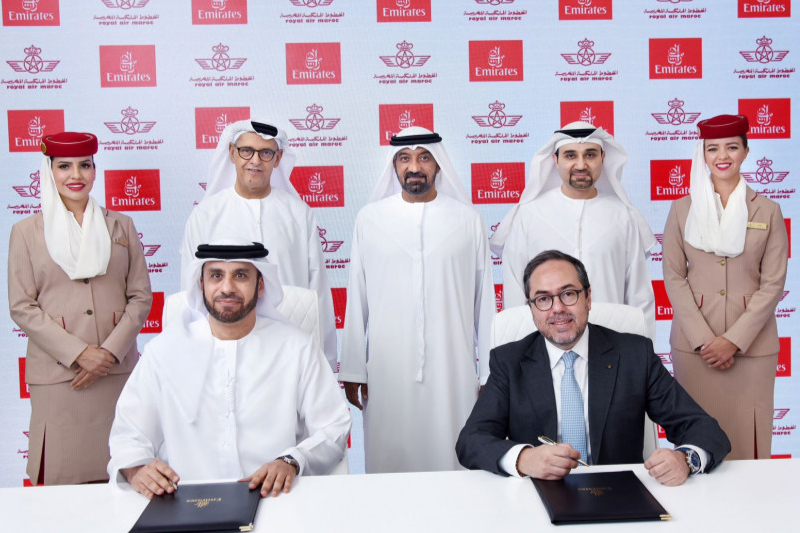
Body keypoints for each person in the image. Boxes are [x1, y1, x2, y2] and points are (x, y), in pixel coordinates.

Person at [456, 250, 730, 486]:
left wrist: (686, 459)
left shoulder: (635, 355)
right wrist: (524, 459)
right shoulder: (508, 361)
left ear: (588, 298)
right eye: (543, 299)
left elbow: (704, 429)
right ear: (531, 307)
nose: (557, 309)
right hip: (537, 497)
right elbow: (471, 441)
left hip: (619, 498)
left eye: (568, 294)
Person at [108, 242, 351, 499]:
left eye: (241, 275)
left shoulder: (297, 348)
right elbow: (129, 433)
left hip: (277, 498)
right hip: (186, 503)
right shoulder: (163, 352)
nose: (227, 288)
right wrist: (136, 468)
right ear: (201, 284)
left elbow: (333, 426)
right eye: (216, 275)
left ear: (260, 285)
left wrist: (292, 461)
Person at [339, 127, 495, 473]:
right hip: (387, 369)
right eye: (404, 159)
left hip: (452, 369)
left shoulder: (468, 220)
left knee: (454, 456)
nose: (414, 167)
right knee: (390, 462)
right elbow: (357, 297)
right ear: (394, 166)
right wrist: (352, 368)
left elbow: (484, 302)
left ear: (438, 164)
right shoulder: (370, 219)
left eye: (424, 158)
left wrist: (489, 372)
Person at [8, 132, 152, 485]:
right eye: (64, 166)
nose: (76, 175)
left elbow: (140, 297)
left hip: (115, 373)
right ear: (49, 171)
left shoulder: (121, 225)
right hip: (60, 377)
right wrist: (79, 354)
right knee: (61, 481)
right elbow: (22, 306)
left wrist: (108, 353)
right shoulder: (26, 232)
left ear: (95, 170)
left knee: (125, 476)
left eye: (85, 165)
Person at [662, 114, 788, 460]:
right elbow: (673, 276)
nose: (722, 156)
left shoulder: (768, 210)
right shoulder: (682, 209)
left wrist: (733, 340)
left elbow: (773, 283)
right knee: (695, 440)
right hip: (695, 348)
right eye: (712, 148)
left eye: (732, 147)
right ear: (702, 154)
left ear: (746, 151)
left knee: (749, 439)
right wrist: (705, 340)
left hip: (752, 347)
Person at [180, 119, 337, 371]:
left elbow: (317, 288)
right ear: (232, 153)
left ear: (278, 158)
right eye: (246, 151)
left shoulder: (298, 213)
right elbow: (192, 293)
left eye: (265, 153)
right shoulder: (206, 214)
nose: (255, 160)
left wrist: (325, 361)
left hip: (290, 346)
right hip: (223, 352)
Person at [490, 121, 656, 340]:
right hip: (546, 345)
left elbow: (639, 295)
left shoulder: (623, 215)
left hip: (612, 341)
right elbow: (515, 291)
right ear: (555, 160)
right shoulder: (529, 214)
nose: (580, 165)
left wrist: (642, 352)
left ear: (603, 158)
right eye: (570, 155)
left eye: (590, 155)